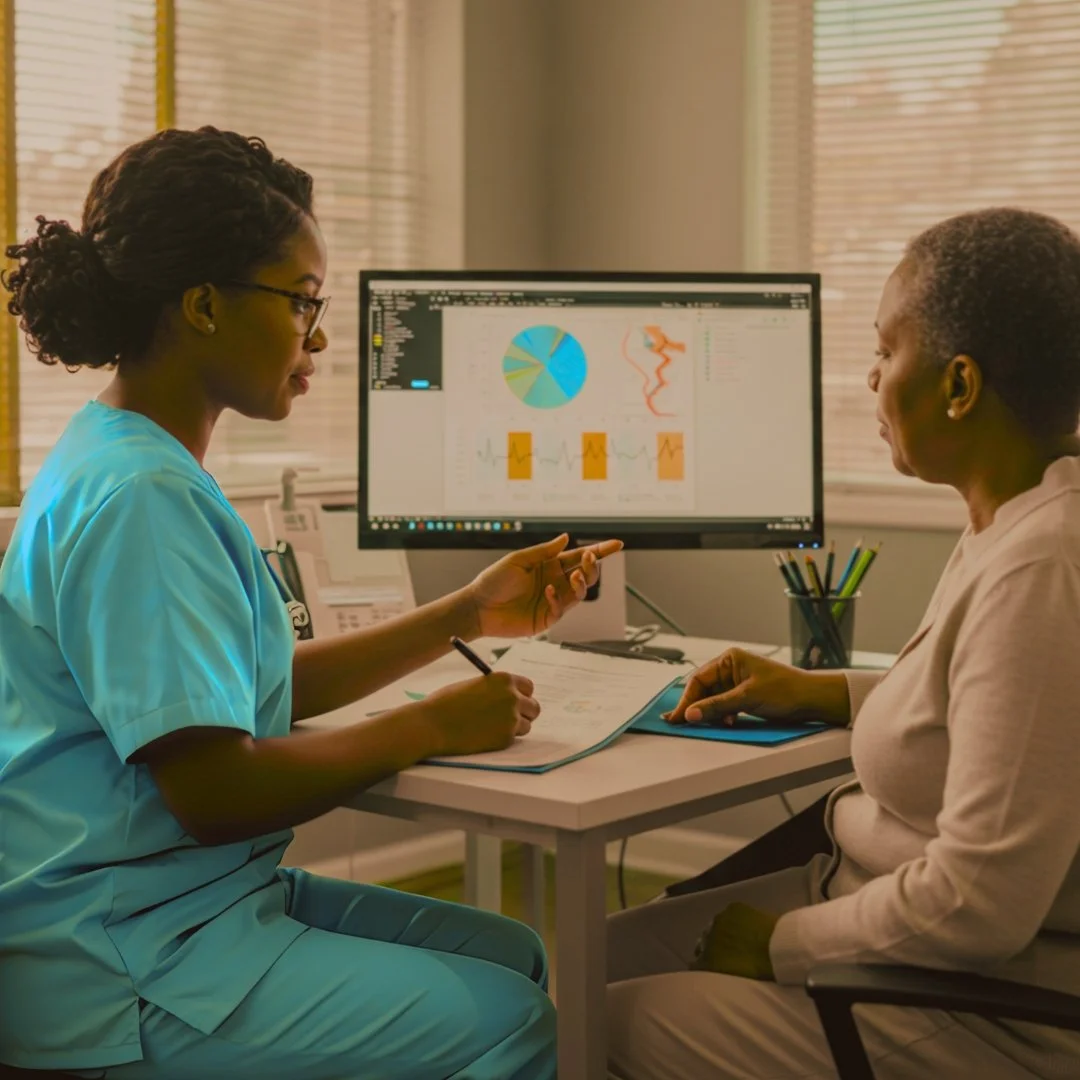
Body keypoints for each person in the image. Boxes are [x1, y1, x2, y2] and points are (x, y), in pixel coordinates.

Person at [0, 126, 621, 1079]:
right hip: (122, 960)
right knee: (510, 1019)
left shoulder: (127, 457)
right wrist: (432, 727)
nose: (321, 336)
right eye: (302, 302)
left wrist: (466, 613)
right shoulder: (143, 500)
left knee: (515, 953)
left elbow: (237, 696)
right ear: (204, 305)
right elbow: (214, 790)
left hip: (182, 905)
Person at [606, 207, 1080, 1080]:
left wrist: (782, 944)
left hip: (985, 1009)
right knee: (585, 957)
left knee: (597, 1023)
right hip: (866, 902)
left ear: (960, 385)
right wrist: (819, 690)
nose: (871, 379)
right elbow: (986, 715)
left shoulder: (1040, 568)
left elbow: (979, 905)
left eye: (887, 350)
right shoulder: (1016, 515)